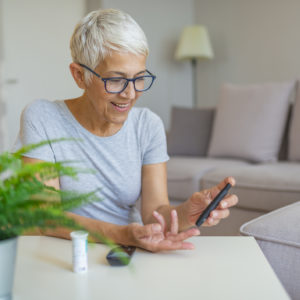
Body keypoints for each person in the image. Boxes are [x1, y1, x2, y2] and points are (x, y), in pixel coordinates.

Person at [14, 9, 238, 252]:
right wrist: (123, 234)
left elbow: (155, 215)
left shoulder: (147, 125)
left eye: (139, 78)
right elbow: (46, 217)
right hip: (62, 254)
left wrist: (187, 213)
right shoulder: (43, 117)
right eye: (116, 80)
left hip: (124, 255)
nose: (130, 94)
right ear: (80, 76)